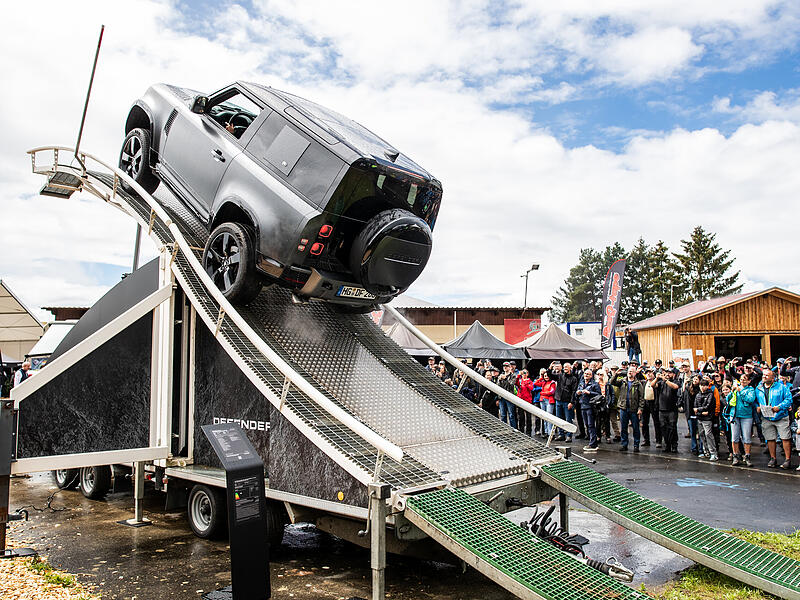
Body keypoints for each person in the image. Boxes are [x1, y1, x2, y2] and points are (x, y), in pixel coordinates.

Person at [756, 369, 793, 469]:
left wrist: (780, 407)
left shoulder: (781, 387)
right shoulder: (759, 388)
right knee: (770, 438)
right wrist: (757, 407)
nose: (764, 377)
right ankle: (773, 458)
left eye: (767, 375)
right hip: (766, 417)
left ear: (773, 378)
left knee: (785, 438)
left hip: (780, 416)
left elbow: (789, 399)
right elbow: (755, 401)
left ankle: (787, 459)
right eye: (764, 375)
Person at [610, 366, 644, 451]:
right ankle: (624, 444)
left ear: (635, 373)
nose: (630, 372)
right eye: (629, 371)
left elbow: (641, 398)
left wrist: (640, 408)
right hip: (623, 408)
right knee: (624, 427)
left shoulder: (638, 384)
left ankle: (636, 445)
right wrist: (615, 375)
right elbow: (612, 382)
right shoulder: (623, 381)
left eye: (632, 371)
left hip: (634, 409)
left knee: (636, 428)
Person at [727, 373, 756, 467]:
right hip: (734, 415)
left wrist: (740, 392)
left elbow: (750, 399)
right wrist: (731, 392)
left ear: (749, 381)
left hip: (746, 416)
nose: (743, 381)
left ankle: (747, 456)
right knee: (734, 437)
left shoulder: (750, 389)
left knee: (746, 437)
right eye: (741, 379)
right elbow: (728, 399)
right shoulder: (736, 388)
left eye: (745, 379)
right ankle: (735, 455)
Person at [654, 368, 680, 453]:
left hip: (672, 409)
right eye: (667, 373)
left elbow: (675, 387)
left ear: (674, 374)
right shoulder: (661, 383)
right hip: (662, 409)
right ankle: (667, 445)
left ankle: (674, 445)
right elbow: (652, 385)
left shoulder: (675, 381)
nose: (668, 374)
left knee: (672, 427)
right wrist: (657, 378)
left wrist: (666, 381)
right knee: (663, 428)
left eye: (670, 373)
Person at [575, 369, 601, 452]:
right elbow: (576, 393)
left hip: (590, 406)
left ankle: (593, 443)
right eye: (585, 373)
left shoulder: (594, 384)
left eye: (588, 374)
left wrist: (589, 393)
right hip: (582, 406)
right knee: (587, 424)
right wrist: (577, 393)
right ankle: (591, 441)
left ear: (591, 375)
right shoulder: (581, 383)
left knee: (591, 425)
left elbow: (599, 394)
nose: (586, 375)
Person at [694, 377, 718, 461]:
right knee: (702, 434)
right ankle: (706, 451)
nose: (702, 387)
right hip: (700, 417)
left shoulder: (710, 394)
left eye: (704, 385)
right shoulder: (698, 395)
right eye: (701, 385)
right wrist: (700, 411)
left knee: (708, 434)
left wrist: (700, 410)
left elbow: (709, 406)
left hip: (708, 418)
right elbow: (695, 406)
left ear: (708, 386)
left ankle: (713, 452)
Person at [555, 362, 578, 442]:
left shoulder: (574, 379)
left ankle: (569, 435)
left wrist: (571, 402)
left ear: (570, 368)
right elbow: (550, 376)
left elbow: (574, 391)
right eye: (564, 367)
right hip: (559, 400)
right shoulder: (560, 376)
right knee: (559, 418)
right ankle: (561, 434)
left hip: (567, 402)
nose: (565, 368)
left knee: (568, 419)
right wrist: (550, 368)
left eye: (566, 367)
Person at [642, 369, 663, 448]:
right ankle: (646, 440)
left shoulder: (657, 382)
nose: (649, 374)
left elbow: (656, 387)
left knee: (656, 423)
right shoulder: (644, 383)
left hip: (654, 404)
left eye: (650, 373)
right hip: (646, 403)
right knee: (644, 423)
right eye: (647, 373)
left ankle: (658, 440)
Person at [535, 370, 557, 435]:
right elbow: (536, 383)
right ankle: (546, 431)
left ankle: (550, 433)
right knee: (544, 417)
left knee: (549, 417)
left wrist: (542, 393)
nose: (546, 377)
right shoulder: (543, 383)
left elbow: (552, 392)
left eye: (547, 375)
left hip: (549, 401)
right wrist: (541, 377)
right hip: (542, 401)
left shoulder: (552, 383)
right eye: (545, 376)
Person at [497, 361, 518, 429]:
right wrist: (500, 380)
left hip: (509, 398)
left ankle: (513, 429)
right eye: (504, 366)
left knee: (511, 415)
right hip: (501, 397)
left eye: (506, 366)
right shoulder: (501, 375)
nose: (505, 367)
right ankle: (504, 428)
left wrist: (505, 378)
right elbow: (498, 387)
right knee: (503, 415)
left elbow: (512, 385)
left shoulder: (513, 375)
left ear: (510, 367)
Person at [516, 369, 534, 435]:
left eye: (525, 373)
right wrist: (518, 375)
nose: (524, 374)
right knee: (521, 417)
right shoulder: (520, 381)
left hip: (528, 401)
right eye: (523, 373)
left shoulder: (529, 381)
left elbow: (531, 388)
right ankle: (521, 430)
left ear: (528, 374)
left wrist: (525, 382)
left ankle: (529, 431)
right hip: (520, 400)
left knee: (528, 417)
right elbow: (515, 383)